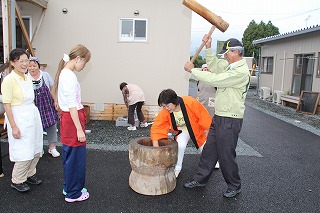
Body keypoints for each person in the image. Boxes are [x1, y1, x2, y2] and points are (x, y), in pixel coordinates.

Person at [183, 35, 250, 198]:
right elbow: (213, 64)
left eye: (227, 53)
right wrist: (208, 46)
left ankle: (234, 185)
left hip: (231, 118)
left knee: (226, 153)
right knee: (209, 150)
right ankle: (200, 179)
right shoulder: (229, 66)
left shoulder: (240, 72)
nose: (225, 56)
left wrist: (193, 70)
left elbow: (216, 79)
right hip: (219, 116)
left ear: (235, 52)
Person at [52, 44, 91, 203]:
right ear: (78, 59)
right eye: (84, 62)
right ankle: (73, 193)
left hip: (69, 119)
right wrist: (79, 129)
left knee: (70, 155)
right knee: (75, 157)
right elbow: (72, 105)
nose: (84, 66)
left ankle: (70, 186)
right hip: (72, 119)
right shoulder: (69, 75)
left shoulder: (64, 73)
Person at [1, 48, 43, 192]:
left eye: (26, 60)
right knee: (24, 149)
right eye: (21, 61)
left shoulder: (27, 77)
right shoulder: (9, 80)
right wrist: (14, 127)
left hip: (31, 114)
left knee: (36, 147)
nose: (25, 64)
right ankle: (17, 180)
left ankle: (29, 174)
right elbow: (7, 105)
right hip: (18, 117)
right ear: (13, 63)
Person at [150, 89, 213, 178]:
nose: (166, 109)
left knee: (205, 146)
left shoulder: (190, 102)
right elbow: (157, 126)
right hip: (183, 130)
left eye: (167, 106)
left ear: (174, 101)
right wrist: (155, 146)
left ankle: (212, 162)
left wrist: (207, 131)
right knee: (180, 145)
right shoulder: (166, 111)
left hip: (196, 128)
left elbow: (203, 116)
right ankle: (177, 168)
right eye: (164, 106)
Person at [27, 56, 60, 157]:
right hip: (33, 105)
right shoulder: (26, 78)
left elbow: (52, 89)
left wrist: (55, 101)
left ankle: (52, 147)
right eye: (30, 66)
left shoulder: (45, 75)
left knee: (52, 125)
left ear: (38, 66)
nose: (32, 68)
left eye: (34, 65)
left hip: (47, 104)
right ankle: (38, 148)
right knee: (36, 127)